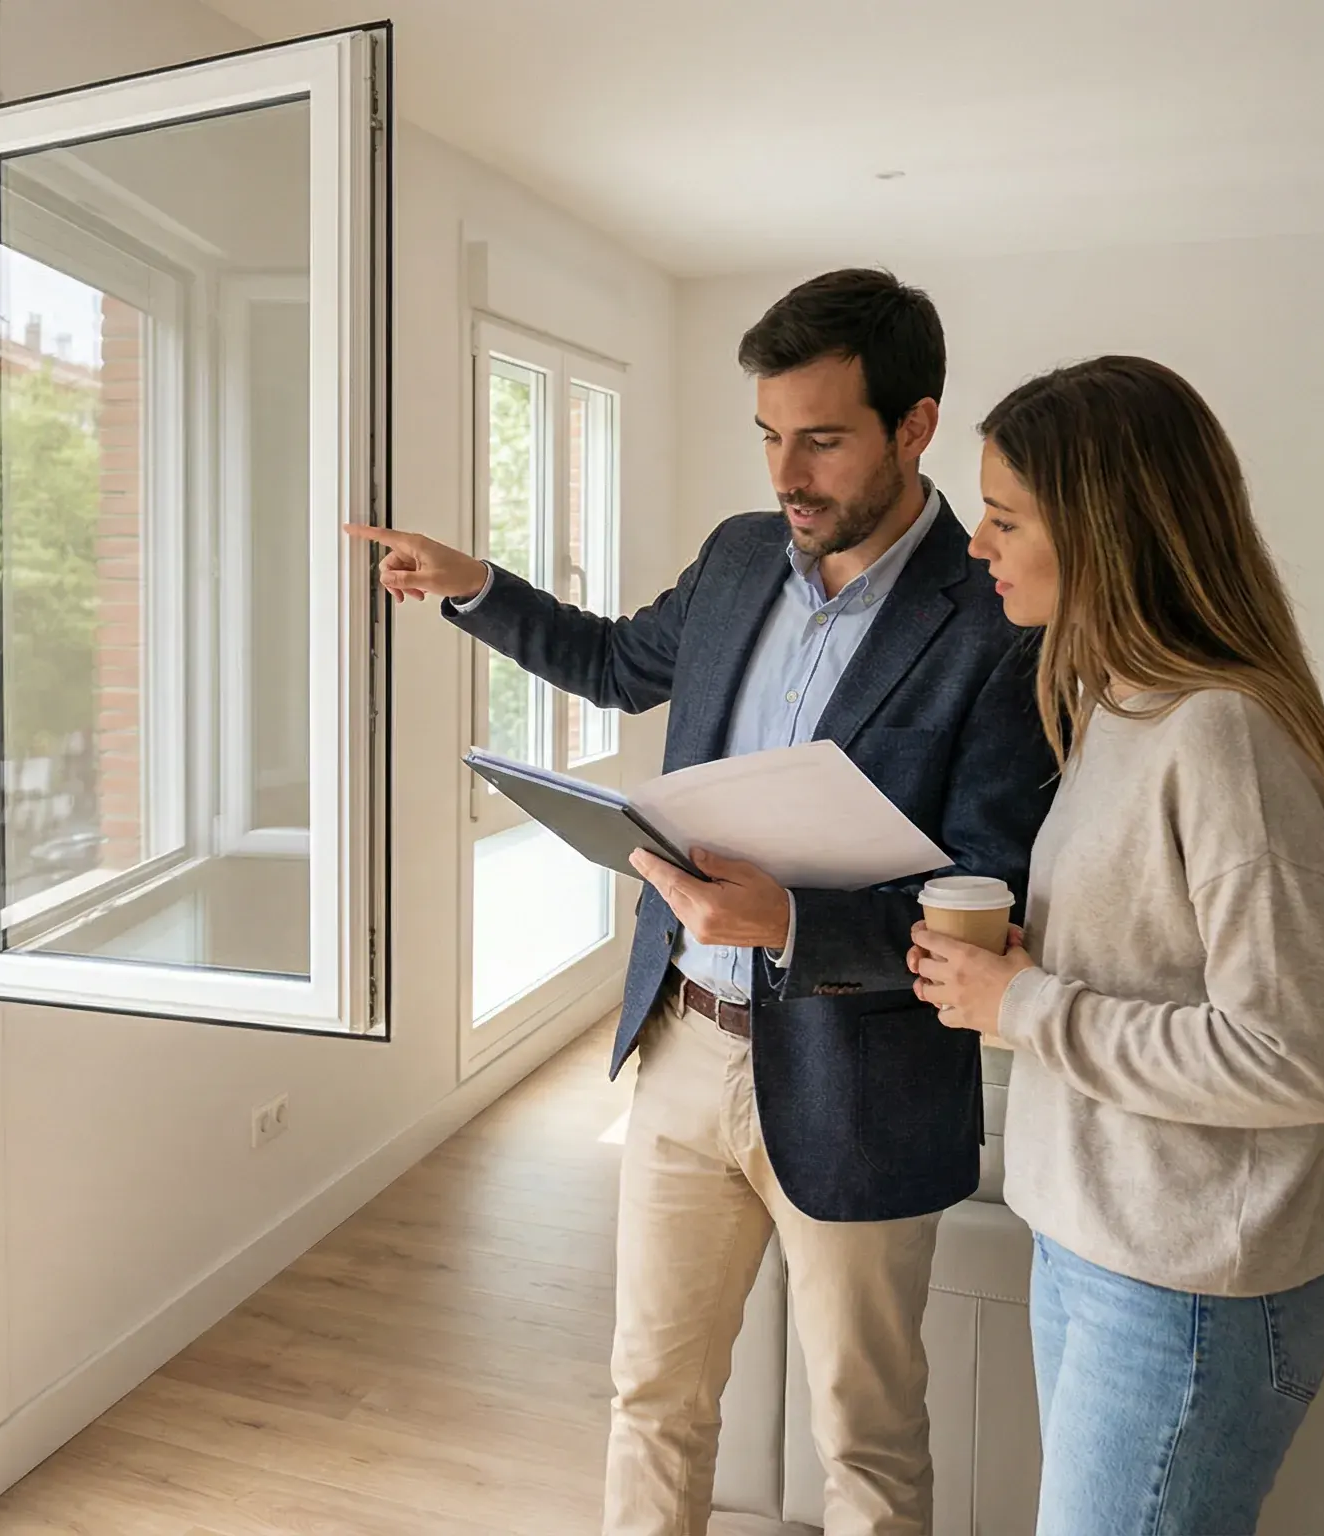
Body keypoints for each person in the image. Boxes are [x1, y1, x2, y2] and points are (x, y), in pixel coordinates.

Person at [351, 269, 1056, 1536]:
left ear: (914, 427)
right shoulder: (740, 556)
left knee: (867, 1442)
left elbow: (985, 901)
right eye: (771, 436)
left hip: (861, 1081)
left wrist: (789, 921)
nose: (789, 472)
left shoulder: (995, 617)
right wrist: (470, 584)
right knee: (651, 1396)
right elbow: (619, 664)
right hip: (681, 1046)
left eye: (824, 439)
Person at [908, 355, 1324, 1535]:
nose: (978, 545)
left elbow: (1298, 1060)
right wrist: (1035, 960)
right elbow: (1153, 953)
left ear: (1107, 532)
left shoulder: (1223, 737)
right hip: (1094, 1243)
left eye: (1006, 518)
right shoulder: (1118, 705)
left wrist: (1024, 1009)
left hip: (1187, 1293)